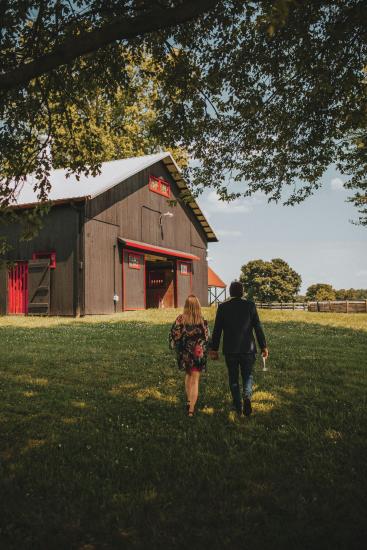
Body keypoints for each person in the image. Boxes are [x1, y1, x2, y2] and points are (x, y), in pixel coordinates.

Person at [210, 281, 269, 417]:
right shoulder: (250, 305)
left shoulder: (223, 307)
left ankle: (237, 406)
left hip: (230, 349)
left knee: (233, 378)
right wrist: (263, 346)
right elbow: (258, 327)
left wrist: (214, 349)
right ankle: (247, 396)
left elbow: (217, 329)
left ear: (230, 293)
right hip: (248, 348)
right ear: (242, 292)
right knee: (247, 375)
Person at [169, 295, 210, 417]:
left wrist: (176, 345)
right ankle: (191, 410)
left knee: (188, 375)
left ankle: (188, 401)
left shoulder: (180, 320)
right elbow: (207, 339)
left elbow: (174, 335)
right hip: (198, 355)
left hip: (185, 354)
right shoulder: (202, 321)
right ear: (197, 306)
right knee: (195, 380)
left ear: (186, 306)